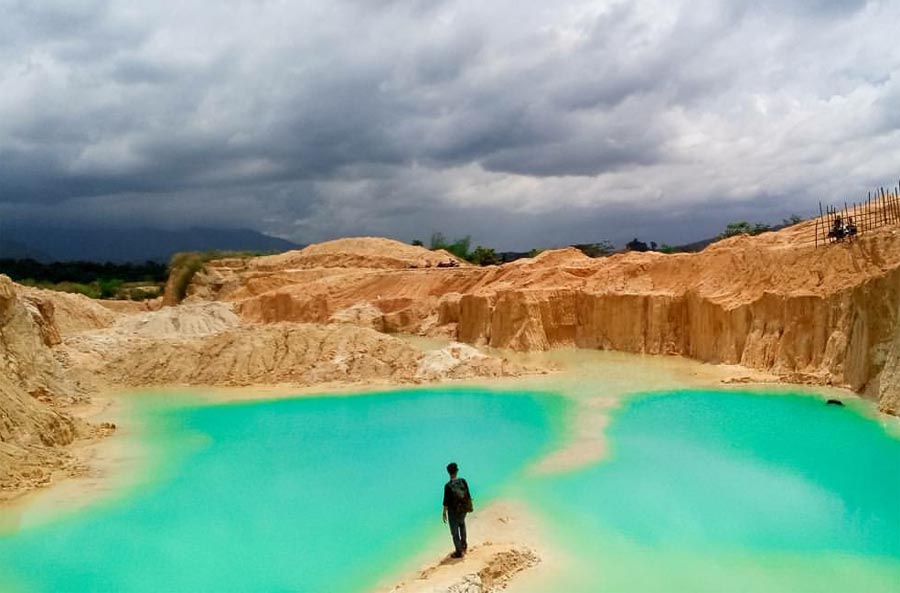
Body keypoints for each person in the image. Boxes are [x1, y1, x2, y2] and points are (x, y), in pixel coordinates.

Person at [441, 462, 473, 558]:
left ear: (448, 472)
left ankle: (459, 552)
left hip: (453, 511)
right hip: (463, 508)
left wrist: (444, 513)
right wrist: (469, 506)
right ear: (457, 471)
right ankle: (464, 545)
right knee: (462, 525)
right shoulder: (463, 481)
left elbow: (446, 501)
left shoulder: (448, 486)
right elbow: (468, 494)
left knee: (455, 532)